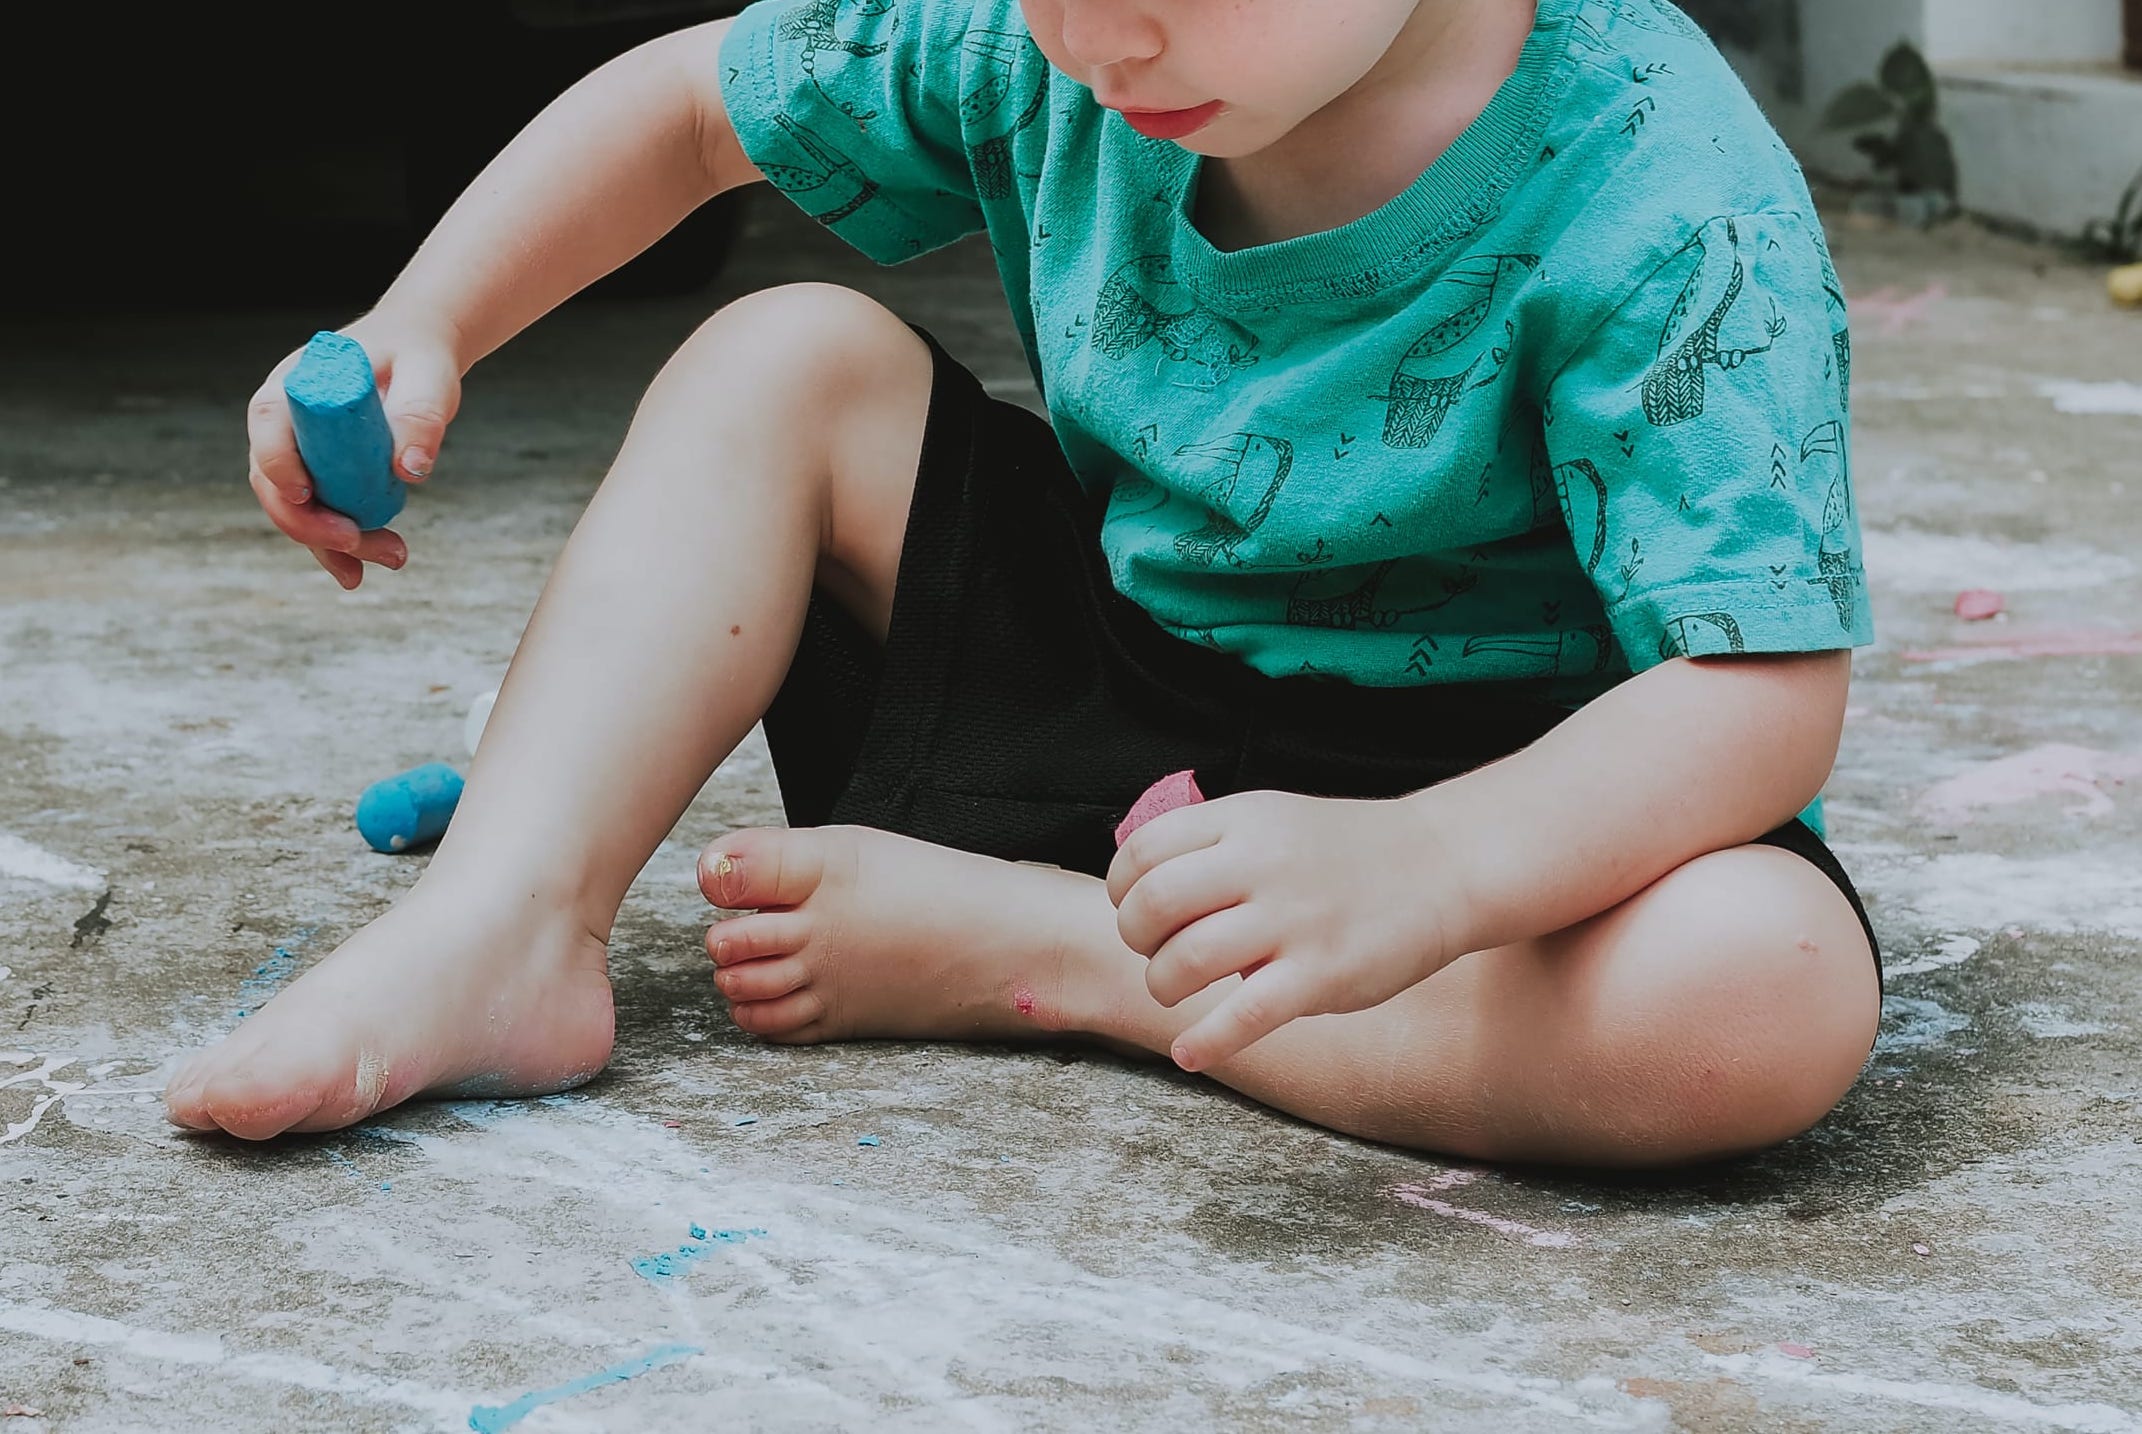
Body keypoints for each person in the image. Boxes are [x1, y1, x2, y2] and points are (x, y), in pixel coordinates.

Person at [165, 0, 1882, 1168]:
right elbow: (693, 108)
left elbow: (1762, 694)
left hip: (1486, 813)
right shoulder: (1060, 39)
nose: (1102, 37)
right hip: (1100, 697)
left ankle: (1054, 957)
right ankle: (507, 923)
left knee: (1760, 996)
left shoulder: (1666, 193)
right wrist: (424, 322)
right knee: (787, 358)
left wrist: (1433, 861)